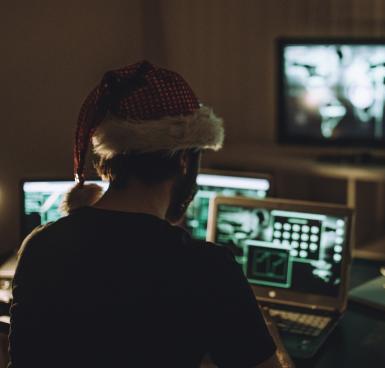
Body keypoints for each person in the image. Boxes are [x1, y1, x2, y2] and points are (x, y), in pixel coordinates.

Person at [8, 61, 294, 367]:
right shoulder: (208, 268)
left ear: (109, 160)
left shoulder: (40, 245)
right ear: (184, 160)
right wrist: (270, 341)